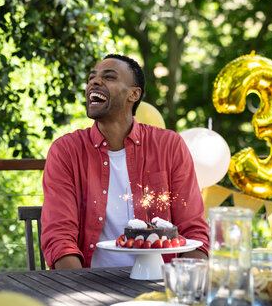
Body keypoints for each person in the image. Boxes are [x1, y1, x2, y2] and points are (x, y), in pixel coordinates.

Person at [41, 54, 209, 269]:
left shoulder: (169, 146)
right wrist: (81, 293)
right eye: (92, 77)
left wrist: (190, 289)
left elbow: (194, 229)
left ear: (134, 94)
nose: (94, 81)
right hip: (91, 282)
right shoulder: (66, 150)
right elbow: (59, 237)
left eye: (109, 77)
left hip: (160, 283)